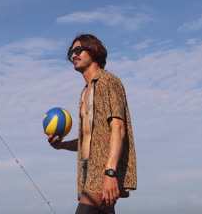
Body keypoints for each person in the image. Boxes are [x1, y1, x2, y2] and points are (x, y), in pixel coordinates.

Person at [48, 34, 137, 214]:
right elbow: (87, 141)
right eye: (70, 52)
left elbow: (118, 130)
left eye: (77, 50)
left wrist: (110, 173)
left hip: (103, 170)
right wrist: (61, 145)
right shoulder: (84, 93)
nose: (73, 55)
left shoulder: (107, 82)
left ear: (94, 50)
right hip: (87, 170)